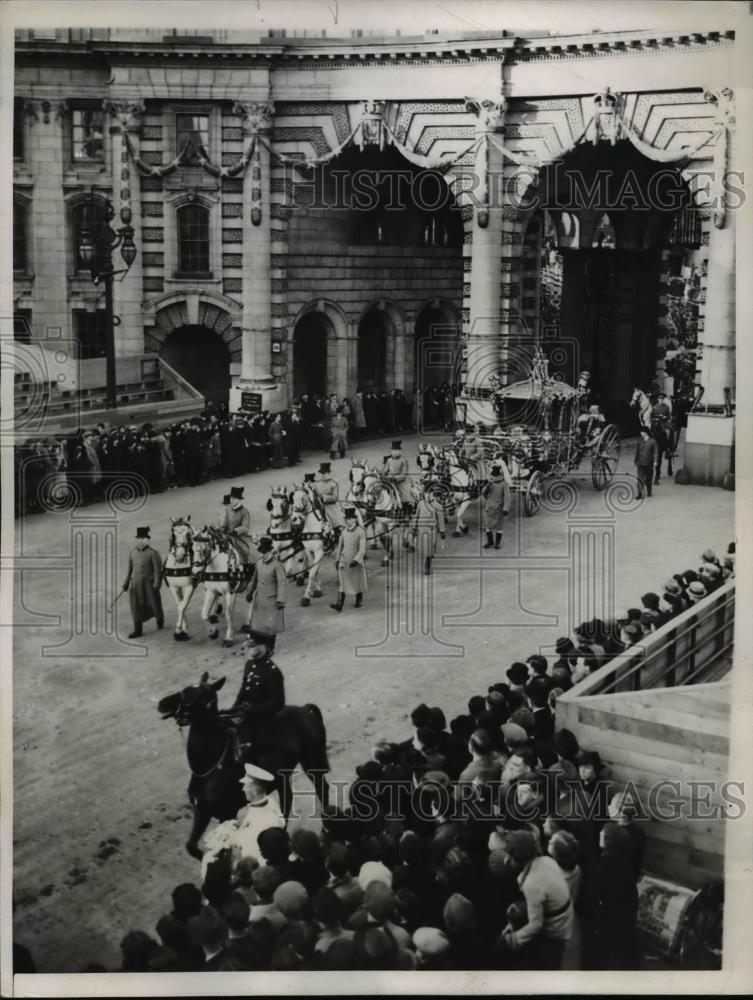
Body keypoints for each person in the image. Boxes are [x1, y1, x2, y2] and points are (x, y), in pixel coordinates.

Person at [499, 830, 572, 970]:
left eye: (511, 856)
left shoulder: (531, 883)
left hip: (555, 930)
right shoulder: (546, 860)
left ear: (521, 860)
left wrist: (513, 939)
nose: (506, 860)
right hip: (564, 917)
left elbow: (536, 925)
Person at [200, 763, 285, 880]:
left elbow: (247, 853)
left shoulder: (262, 821)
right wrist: (239, 826)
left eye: (246, 785)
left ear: (254, 790)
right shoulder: (269, 801)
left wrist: (229, 838)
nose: (243, 788)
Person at [244, 537, 286, 651]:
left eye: (266, 552)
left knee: (270, 625)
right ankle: (259, 644)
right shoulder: (258, 563)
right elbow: (254, 579)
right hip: (260, 598)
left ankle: (270, 648)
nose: (264, 554)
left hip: (272, 600)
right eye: (263, 552)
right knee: (258, 623)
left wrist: (281, 600)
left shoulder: (277, 565)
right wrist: (250, 593)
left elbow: (282, 583)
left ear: (270, 552)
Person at [122, 526, 164, 639]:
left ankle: (159, 618)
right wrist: (126, 583)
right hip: (136, 585)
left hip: (149, 585)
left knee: (154, 604)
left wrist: (157, 585)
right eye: (139, 539)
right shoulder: (132, 553)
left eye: (143, 539)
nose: (140, 541)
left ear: (147, 540)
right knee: (135, 606)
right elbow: (130, 570)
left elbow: (158, 571)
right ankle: (138, 629)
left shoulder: (153, 554)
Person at [331, 507, 367, 612]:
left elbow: (362, 549)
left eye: (350, 519)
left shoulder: (360, 532)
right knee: (342, 583)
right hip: (344, 560)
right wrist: (337, 559)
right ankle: (339, 603)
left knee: (357, 581)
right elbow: (340, 547)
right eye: (346, 519)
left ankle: (359, 599)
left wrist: (356, 560)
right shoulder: (343, 532)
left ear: (355, 519)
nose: (348, 521)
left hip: (356, 562)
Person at [408, 482, 446, 576]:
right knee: (426, 550)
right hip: (422, 530)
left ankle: (428, 560)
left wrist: (442, 533)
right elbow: (416, 516)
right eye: (426, 493)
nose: (428, 495)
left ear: (433, 494)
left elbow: (441, 520)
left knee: (431, 550)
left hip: (432, 530)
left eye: (430, 493)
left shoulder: (437, 505)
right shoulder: (421, 504)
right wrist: (413, 528)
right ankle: (427, 566)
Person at [482, 460, 513, 549]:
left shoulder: (504, 485)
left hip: (499, 509)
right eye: (494, 475)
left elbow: (507, 497)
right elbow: (484, 494)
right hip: (489, 508)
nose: (495, 477)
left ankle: (497, 542)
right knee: (488, 526)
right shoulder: (489, 483)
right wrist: (487, 487)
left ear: (500, 476)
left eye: (497, 476)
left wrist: (506, 508)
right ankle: (490, 541)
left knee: (499, 527)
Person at [221, 486, 253, 564]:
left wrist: (236, 531)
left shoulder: (244, 512)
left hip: (240, 538)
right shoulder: (228, 510)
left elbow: (245, 527)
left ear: (239, 500)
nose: (231, 501)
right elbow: (225, 524)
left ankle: (244, 565)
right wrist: (221, 529)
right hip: (228, 537)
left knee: (245, 551)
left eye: (234, 499)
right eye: (231, 498)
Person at [382, 441, 413, 514]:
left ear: (399, 451)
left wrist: (396, 478)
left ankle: (406, 510)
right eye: (393, 450)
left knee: (404, 494)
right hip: (390, 480)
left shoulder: (403, 460)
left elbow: (404, 473)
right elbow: (385, 470)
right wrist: (382, 475)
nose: (394, 452)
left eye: (396, 450)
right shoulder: (389, 460)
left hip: (401, 481)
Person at [315, 462, 345, 531]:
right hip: (319, 506)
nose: (324, 475)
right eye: (323, 473)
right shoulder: (317, 483)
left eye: (326, 473)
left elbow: (335, 498)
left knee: (338, 525)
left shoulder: (333, 483)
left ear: (329, 473)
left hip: (331, 507)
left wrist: (323, 497)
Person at [634, 427, 657, 499]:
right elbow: (637, 452)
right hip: (640, 463)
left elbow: (655, 452)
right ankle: (640, 493)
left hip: (649, 463)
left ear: (646, 432)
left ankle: (649, 490)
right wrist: (635, 460)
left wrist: (655, 461)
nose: (641, 433)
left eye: (642, 432)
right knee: (640, 478)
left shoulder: (653, 441)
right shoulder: (639, 441)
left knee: (648, 478)